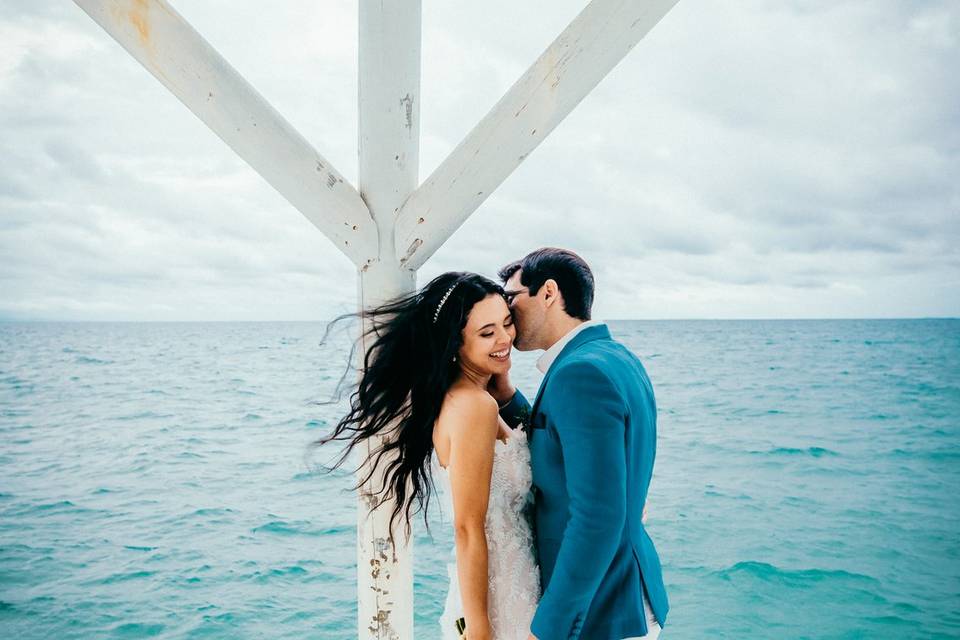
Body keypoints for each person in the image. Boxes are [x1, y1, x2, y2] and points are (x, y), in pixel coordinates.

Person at [313, 272, 539, 640]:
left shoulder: (467, 396)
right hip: (502, 598)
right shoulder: (474, 407)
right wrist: (480, 630)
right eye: (487, 333)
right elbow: (468, 528)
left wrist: (503, 387)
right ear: (454, 344)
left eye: (507, 323)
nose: (505, 339)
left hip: (511, 581)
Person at [489, 247, 669, 640]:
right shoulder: (616, 358)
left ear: (548, 293)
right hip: (622, 591)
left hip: (603, 608)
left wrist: (551, 627)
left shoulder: (579, 373)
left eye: (511, 298)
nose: (506, 313)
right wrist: (507, 396)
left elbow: (598, 516)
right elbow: (560, 442)